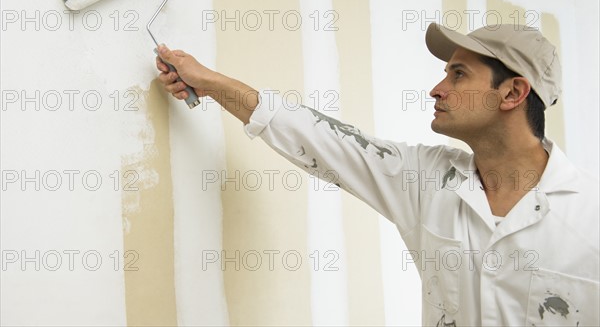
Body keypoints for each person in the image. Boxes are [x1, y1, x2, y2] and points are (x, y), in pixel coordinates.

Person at [155, 23, 599, 326]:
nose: (437, 89)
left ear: (513, 93)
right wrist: (210, 81)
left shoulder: (589, 214)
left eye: (458, 74)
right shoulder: (428, 182)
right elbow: (321, 138)